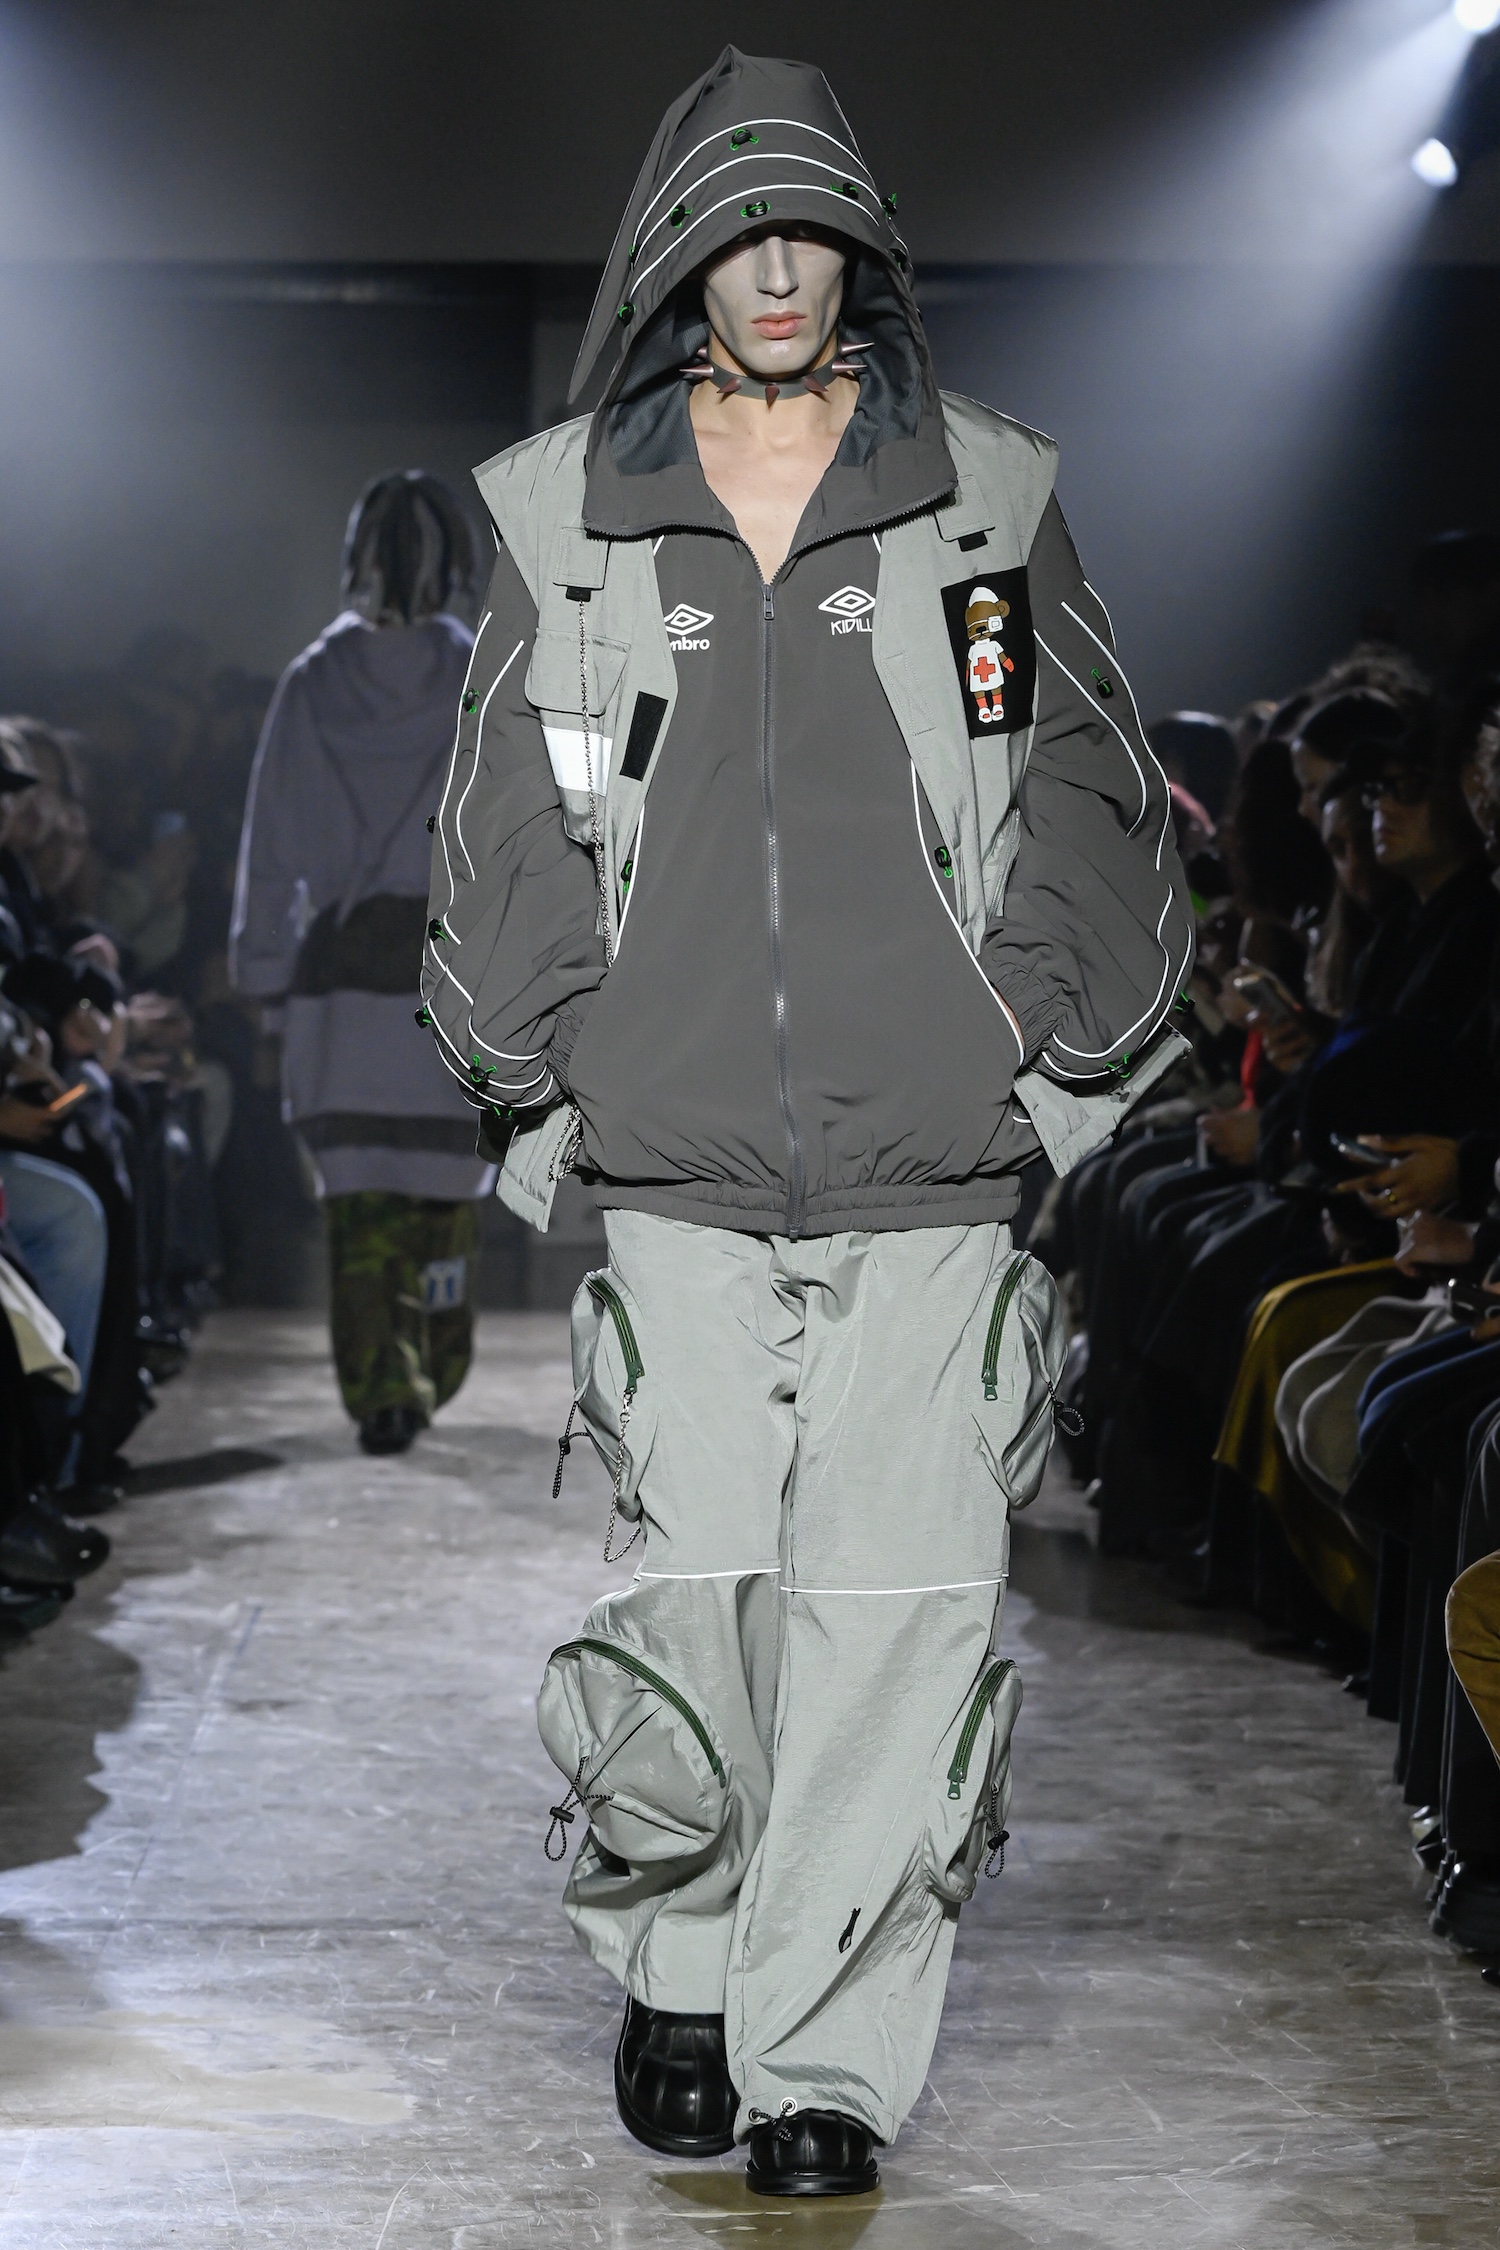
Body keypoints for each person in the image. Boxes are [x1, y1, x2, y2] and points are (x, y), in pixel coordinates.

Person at [424, 49, 1192, 2198]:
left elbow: (1094, 782)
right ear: (677, 254)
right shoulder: (567, 514)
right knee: (706, 1596)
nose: (774, 271)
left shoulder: (988, 500)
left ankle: (824, 2060)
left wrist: (1027, 1040)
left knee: (902, 1610)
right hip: (672, 1158)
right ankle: (683, 1955)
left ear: (865, 252)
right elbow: (503, 811)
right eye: (736, 232)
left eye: (810, 231)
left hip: (933, 1163)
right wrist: (565, 1056)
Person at [231, 472, 496, 1455]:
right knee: (442, 1197)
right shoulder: (481, 673)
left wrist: (264, 980)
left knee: (361, 1202)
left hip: (342, 985)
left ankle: (385, 1386)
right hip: (453, 976)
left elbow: (273, 847)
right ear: (454, 560)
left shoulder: (312, 681)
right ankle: (434, 1363)